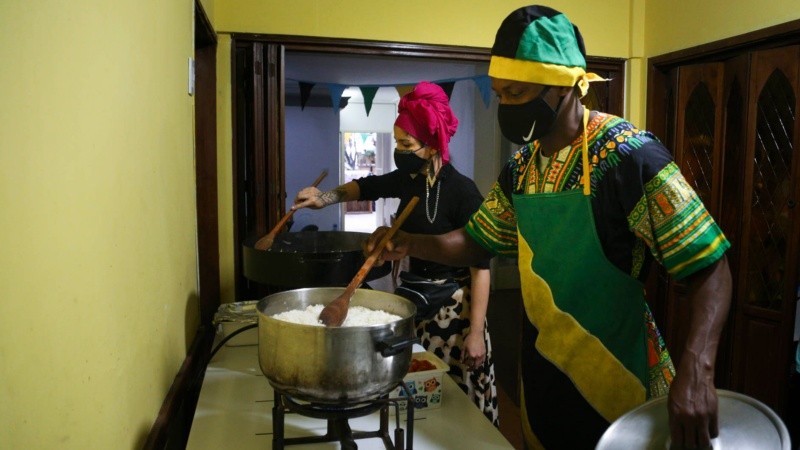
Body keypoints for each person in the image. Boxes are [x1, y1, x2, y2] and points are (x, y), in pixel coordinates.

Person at [365, 6, 733, 449]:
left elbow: (709, 266)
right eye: (499, 94)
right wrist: (407, 242)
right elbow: (475, 242)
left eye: (516, 93)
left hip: (621, 375)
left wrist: (698, 369)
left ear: (564, 85)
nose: (506, 106)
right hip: (542, 374)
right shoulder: (521, 168)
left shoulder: (629, 156)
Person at [292, 81, 499, 426]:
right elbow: (366, 186)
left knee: (460, 401)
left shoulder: (463, 192)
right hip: (416, 299)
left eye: (407, 144)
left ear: (432, 146)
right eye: (397, 142)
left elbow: (481, 266)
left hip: (456, 312)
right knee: (420, 392)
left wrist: (476, 332)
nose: (399, 151)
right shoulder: (410, 179)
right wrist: (322, 198)